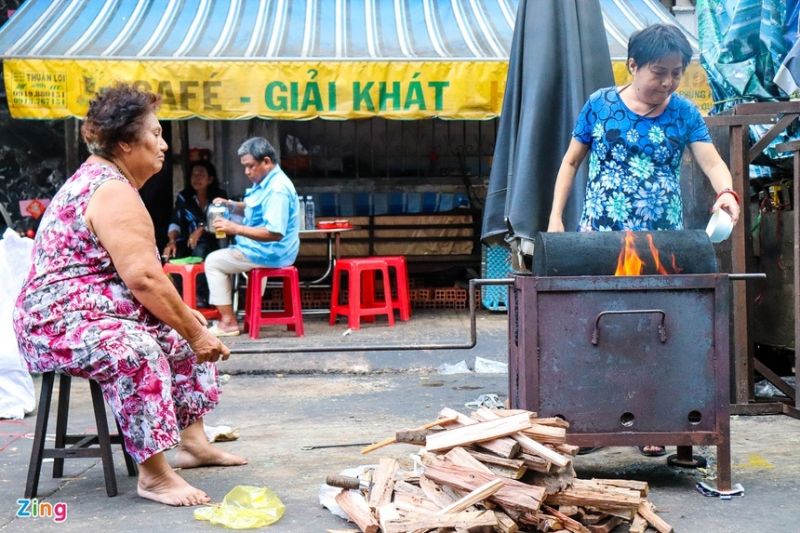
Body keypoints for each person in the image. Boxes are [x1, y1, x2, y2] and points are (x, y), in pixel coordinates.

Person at [13, 84, 246, 507]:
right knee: (138, 350)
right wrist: (195, 332)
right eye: (155, 135)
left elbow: (138, 282)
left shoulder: (111, 182)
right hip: (56, 324)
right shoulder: (111, 189)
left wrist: (187, 326)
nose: (163, 144)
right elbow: (144, 280)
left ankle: (192, 443)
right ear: (125, 144)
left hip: (91, 314)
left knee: (178, 333)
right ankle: (154, 475)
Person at [547, 24, 741, 456]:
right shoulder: (599, 105)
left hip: (660, 242)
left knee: (653, 328)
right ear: (632, 65)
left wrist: (726, 192)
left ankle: (652, 424)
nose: (668, 82)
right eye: (659, 72)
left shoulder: (684, 113)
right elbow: (570, 162)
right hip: (602, 237)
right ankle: (591, 422)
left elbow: (711, 163)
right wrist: (556, 218)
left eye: (676, 73)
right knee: (599, 327)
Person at [204, 137, 300, 336]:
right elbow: (251, 207)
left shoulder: (277, 189)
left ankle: (228, 322)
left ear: (266, 161)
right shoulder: (266, 181)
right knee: (221, 258)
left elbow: (274, 233)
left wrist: (235, 228)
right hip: (262, 249)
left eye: (250, 166)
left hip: (271, 252)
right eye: (245, 167)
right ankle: (231, 316)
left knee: (213, 262)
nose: (247, 172)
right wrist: (231, 204)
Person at [162, 160, 228, 261]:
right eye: (194, 175)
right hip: (187, 242)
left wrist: (201, 229)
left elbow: (219, 224)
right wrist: (171, 241)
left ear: (210, 179)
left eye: (201, 174)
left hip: (213, 241)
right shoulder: (184, 197)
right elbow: (175, 222)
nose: (196, 178)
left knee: (200, 251)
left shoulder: (219, 196)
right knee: (172, 254)